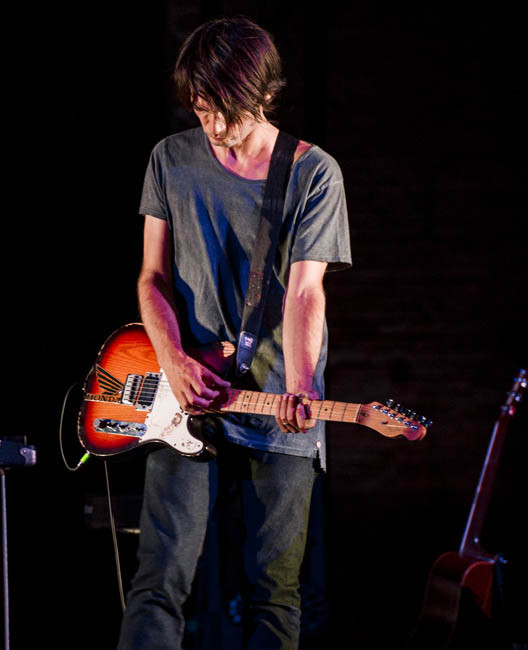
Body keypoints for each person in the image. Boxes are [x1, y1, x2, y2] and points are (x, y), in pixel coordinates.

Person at [117, 16, 351, 650]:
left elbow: (306, 291)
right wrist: (173, 363)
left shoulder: (313, 173)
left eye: (227, 112)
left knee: (274, 593)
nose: (214, 129)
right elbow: (151, 280)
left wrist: (300, 387)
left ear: (264, 94)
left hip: (276, 403)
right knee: (158, 581)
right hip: (185, 399)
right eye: (201, 110)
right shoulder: (170, 158)